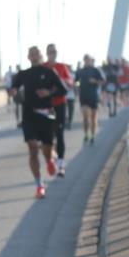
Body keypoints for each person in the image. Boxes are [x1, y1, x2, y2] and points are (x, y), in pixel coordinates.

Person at [8, 46, 66, 199]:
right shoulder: (24, 74)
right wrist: (13, 91)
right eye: (31, 54)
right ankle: (39, 185)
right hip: (29, 116)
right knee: (33, 148)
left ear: (41, 57)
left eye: (37, 54)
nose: (34, 57)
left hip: (46, 116)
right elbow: (13, 87)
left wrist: (49, 92)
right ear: (28, 57)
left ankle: (50, 160)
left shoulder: (49, 72)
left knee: (46, 149)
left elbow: (63, 90)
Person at [45, 44, 74, 177]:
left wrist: (63, 80)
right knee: (49, 136)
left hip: (60, 104)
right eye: (50, 52)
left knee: (60, 134)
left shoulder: (61, 67)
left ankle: (61, 165)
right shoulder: (43, 67)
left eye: (54, 52)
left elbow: (70, 81)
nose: (52, 54)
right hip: (47, 106)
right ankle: (53, 158)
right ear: (47, 53)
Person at [74, 54, 104, 145]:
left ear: (91, 60)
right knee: (85, 117)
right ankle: (86, 134)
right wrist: (77, 86)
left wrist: (94, 81)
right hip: (83, 96)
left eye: (88, 60)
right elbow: (75, 81)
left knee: (93, 117)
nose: (87, 61)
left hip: (93, 96)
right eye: (85, 60)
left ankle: (93, 135)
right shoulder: (80, 71)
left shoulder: (95, 70)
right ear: (84, 60)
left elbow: (102, 81)